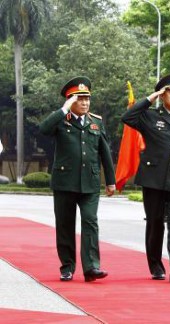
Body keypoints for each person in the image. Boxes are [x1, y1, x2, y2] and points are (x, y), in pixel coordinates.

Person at [39, 76, 116, 282]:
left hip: (90, 183)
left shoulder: (96, 122)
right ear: (70, 100)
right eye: (79, 99)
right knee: (65, 225)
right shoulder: (60, 120)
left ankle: (91, 267)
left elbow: (105, 153)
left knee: (90, 221)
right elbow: (43, 130)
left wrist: (110, 180)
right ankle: (67, 266)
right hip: (65, 182)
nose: (84, 103)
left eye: (87, 99)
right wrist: (64, 109)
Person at [121, 74, 170, 282]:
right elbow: (127, 118)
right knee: (155, 223)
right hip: (154, 178)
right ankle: (155, 265)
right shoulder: (150, 116)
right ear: (163, 95)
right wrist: (150, 98)